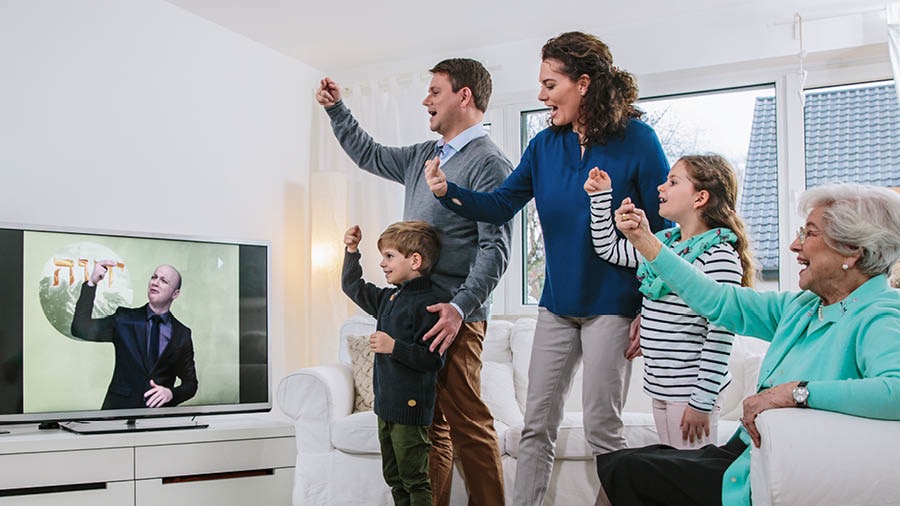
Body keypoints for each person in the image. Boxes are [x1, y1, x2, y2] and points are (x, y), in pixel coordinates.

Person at [426, 31, 670, 505]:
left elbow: (663, 232)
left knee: (603, 427)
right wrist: (446, 192)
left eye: (549, 84)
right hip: (557, 306)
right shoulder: (544, 146)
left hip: (612, 308)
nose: (541, 96)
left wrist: (649, 304)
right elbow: (500, 204)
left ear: (583, 83)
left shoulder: (637, 140)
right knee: (536, 425)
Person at [596, 182, 900, 505]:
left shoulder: (879, 313)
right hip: (744, 455)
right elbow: (719, 301)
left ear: (852, 252)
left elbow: (894, 391)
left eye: (810, 233)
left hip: (765, 475)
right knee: (620, 465)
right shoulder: (803, 307)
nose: (795, 245)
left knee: (625, 472)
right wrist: (645, 242)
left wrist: (795, 392)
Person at [317, 58, 512, 505]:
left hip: (455, 319)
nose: (426, 100)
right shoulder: (424, 156)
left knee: (468, 425)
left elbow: (495, 248)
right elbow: (368, 153)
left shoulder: (490, 164)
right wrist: (337, 110)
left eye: (435, 91)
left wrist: (460, 308)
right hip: (414, 314)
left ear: (464, 96)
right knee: (430, 429)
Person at [584, 154, 755, 448]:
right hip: (661, 388)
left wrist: (701, 402)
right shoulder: (663, 244)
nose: (661, 188)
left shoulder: (719, 256)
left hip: (690, 394)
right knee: (672, 477)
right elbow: (609, 248)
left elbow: (720, 335)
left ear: (700, 198)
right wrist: (601, 198)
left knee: (689, 483)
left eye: (673, 182)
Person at [341, 221, 446, 506]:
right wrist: (352, 251)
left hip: (410, 410)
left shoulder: (430, 304)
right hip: (385, 407)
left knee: (414, 479)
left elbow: (433, 359)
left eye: (389, 256)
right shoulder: (389, 298)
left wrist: (393, 347)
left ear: (415, 260)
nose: (383, 263)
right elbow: (352, 286)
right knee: (394, 478)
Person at [71, 261, 198, 409]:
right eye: (154, 277)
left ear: (175, 294)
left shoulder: (182, 334)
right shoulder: (124, 319)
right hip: (117, 414)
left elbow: (191, 384)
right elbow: (80, 328)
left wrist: (171, 394)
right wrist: (92, 283)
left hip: (157, 421)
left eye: (163, 281)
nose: (155, 282)